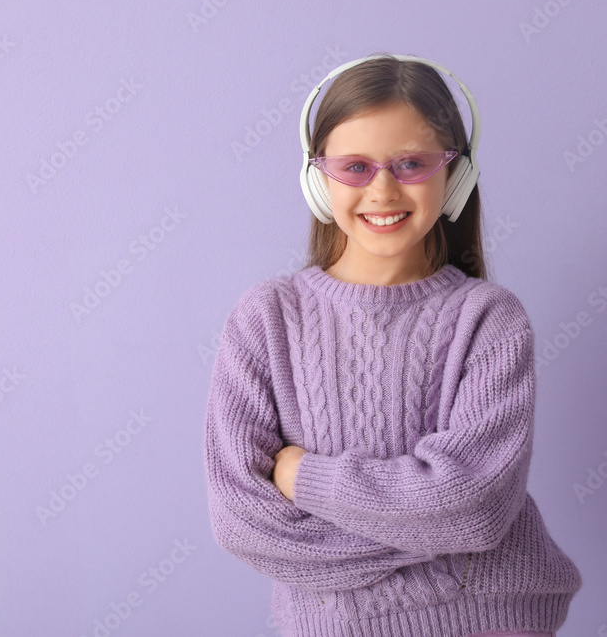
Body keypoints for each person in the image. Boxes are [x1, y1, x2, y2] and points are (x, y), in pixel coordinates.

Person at [203, 53, 582, 637]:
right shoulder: (266, 320)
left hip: (490, 621)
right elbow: (242, 521)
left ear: (453, 175)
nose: (382, 189)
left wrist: (304, 478)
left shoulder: (489, 321)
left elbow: (474, 508)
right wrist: (428, 525)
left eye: (412, 163)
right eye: (354, 166)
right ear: (317, 179)